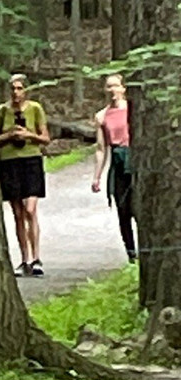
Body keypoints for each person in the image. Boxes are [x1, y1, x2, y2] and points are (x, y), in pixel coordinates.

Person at [0, 73, 51, 277]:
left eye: (20, 88)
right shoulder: (1, 111)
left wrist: (28, 135)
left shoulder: (35, 109)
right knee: (18, 213)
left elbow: (45, 138)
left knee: (30, 209)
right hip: (9, 162)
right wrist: (9, 135)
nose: (16, 92)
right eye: (13, 89)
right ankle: (25, 259)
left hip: (31, 160)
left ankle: (36, 257)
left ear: (26, 90)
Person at [92, 73, 137, 263]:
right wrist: (97, 176)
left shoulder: (132, 110)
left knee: (138, 206)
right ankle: (131, 252)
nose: (112, 90)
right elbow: (101, 148)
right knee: (122, 209)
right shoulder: (101, 116)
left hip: (134, 160)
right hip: (117, 163)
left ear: (123, 88)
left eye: (116, 86)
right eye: (109, 86)